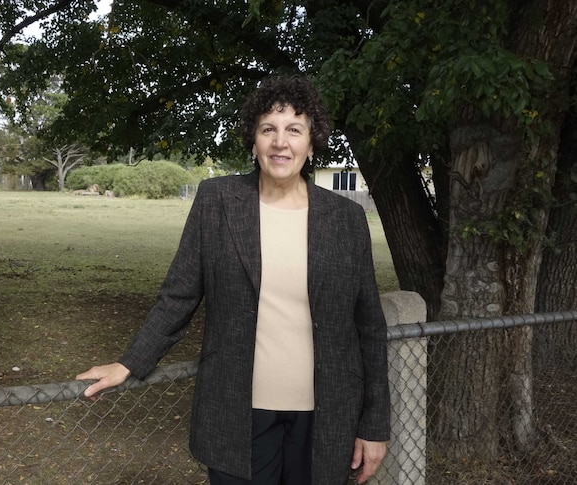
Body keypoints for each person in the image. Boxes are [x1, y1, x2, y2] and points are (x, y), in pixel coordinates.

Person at [77, 75, 390, 484]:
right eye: (268, 129)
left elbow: (369, 326)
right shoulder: (217, 201)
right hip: (237, 414)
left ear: (312, 144)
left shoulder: (346, 219)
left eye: (294, 130)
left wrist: (375, 426)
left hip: (328, 417)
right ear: (253, 140)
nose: (281, 142)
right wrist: (130, 361)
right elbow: (179, 295)